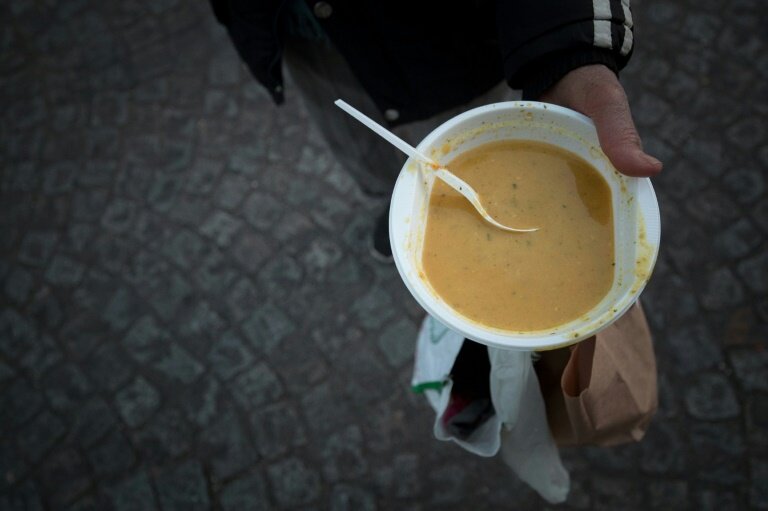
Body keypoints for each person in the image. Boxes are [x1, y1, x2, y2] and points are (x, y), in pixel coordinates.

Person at [209, 0, 662, 257]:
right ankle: (393, 205)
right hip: (297, 34)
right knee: (365, 147)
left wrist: (568, 48)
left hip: (446, 48)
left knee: (484, 151)